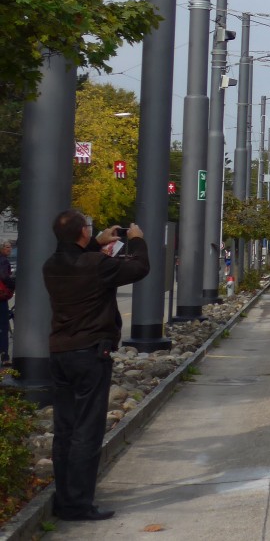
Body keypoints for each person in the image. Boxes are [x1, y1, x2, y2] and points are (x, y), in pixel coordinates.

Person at [43, 211, 150, 522]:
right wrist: (138, 241)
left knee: (64, 430)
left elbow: (75, 261)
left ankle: (65, 498)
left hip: (60, 353)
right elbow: (139, 268)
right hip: (90, 354)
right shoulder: (96, 265)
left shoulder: (51, 265)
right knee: (87, 430)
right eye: (88, 229)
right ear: (82, 234)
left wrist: (94, 244)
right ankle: (78, 504)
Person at [0, 241, 13, 366]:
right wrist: (13, 284)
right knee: (3, 327)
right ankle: (5, 356)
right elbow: (4, 276)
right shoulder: (3, 261)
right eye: (7, 247)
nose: (10, 249)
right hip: (1, 298)